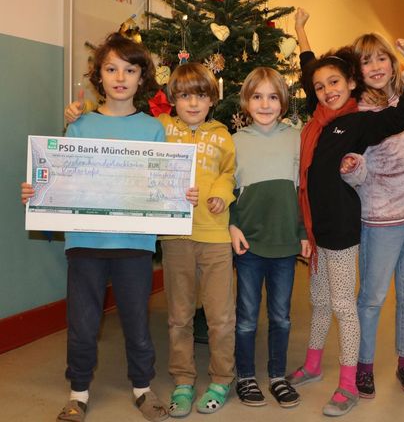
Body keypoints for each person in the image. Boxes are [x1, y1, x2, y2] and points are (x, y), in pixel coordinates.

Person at [22, 33, 194, 422]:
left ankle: (142, 388)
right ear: (98, 74)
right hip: (84, 243)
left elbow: (159, 184)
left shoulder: (153, 129)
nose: (120, 77)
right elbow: (61, 178)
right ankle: (78, 393)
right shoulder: (81, 124)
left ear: (141, 77)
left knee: (136, 319)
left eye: (130, 70)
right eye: (111, 68)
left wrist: (182, 194)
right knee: (82, 323)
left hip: (134, 243)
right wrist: (38, 190)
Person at [65, 62, 237, 417]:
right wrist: (73, 116)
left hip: (213, 233)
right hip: (174, 237)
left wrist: (221, 194)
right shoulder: (159, 128)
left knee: (221, 315)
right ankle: (183, 381)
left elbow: (228, 172)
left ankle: (222, 378)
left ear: (212, 99)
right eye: (184, 95)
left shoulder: (221, 133)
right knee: (179, 316)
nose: (192, 103)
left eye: (201, 96)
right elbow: (117, 147)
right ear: (172, 98)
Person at [295, 9, 404, 398]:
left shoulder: (358, 121)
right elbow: (312, 70)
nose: (326, 90)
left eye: (335, 83)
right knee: (319, 302)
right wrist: (301, 31)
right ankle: (313, 365)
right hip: (317, 232)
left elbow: (402, 114)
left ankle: (350, 382)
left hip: (341, 232)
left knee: (343, 305)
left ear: (350, 83)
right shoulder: (318, 117)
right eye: (320, 87)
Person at [229, 67, 310, 409]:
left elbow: (303, 190)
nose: (265, 104)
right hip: (248, 244)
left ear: (283, 101)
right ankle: (245, 376)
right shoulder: (234, 142)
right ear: (246, 102)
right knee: (246, 317)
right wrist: (232, 226)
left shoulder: (296, 137)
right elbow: (226, 191)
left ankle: (277, 375)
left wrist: (304, 233)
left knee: (281, 316)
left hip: (284, 244)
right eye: (257, 96)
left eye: (273, 97)